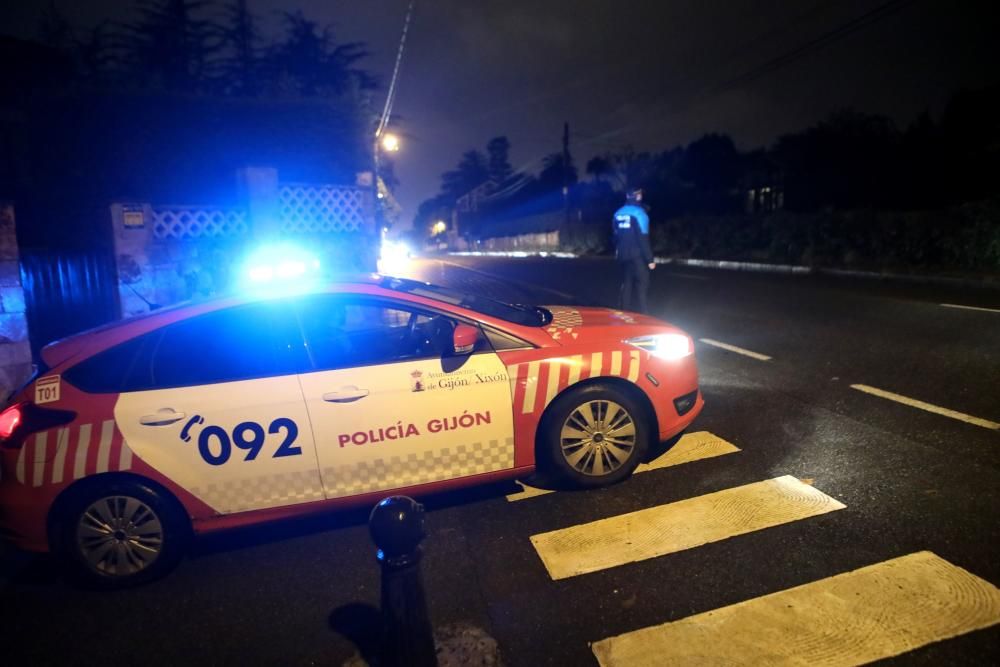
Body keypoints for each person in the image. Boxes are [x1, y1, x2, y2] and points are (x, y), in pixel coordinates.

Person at [612, 188, 655, 313]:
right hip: (638, 256)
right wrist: (650, 259)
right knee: (642, 285)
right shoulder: (640, 214)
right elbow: (643, 238)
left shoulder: (617, 213)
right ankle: (644, 314)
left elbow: (615, 236)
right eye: (640, 194)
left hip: (623, 255)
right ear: (638, 196)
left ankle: (624, 313)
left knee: (627, 283)